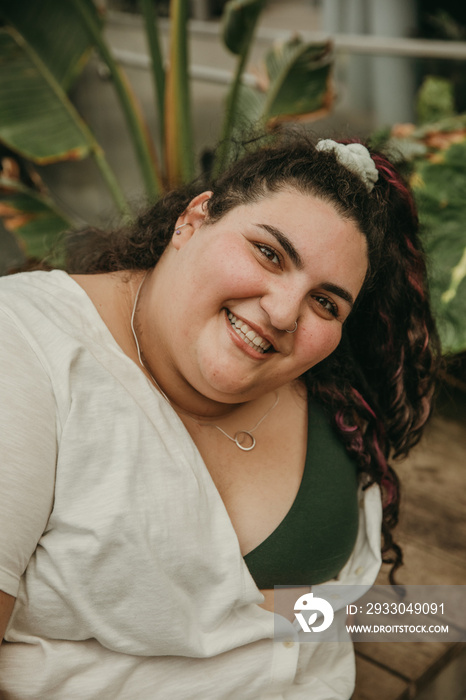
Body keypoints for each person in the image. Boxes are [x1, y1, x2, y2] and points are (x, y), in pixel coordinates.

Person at [0, 133, 439, 699]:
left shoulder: (328, 396)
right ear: (194, 218)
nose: (284, 314)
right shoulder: (26, 350)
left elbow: (293, 623)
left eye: (326, 302)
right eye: (269, 253)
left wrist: (442, 617)